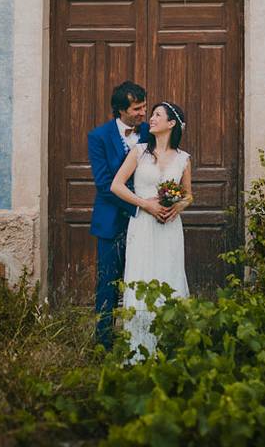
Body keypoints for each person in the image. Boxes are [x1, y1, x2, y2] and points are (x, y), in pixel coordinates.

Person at [111, 101, 193, 360]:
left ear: (171, 124)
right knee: (141, 278)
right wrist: (145, 204)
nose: (151, 119)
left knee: (169, 276)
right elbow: (117, 185)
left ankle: (169, 349)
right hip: (143, 225)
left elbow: (189, 196)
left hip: (168, 228)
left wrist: (176, 207)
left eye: (158, 115)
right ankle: (139, 349)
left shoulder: (183, 159)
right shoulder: (139, 151)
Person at [87, 81, 150, 350]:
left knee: (143, 279)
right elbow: (104, 183)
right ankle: (103, 343)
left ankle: (142, 338)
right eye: (137, 109)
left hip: (146, 223)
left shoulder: (149, 131)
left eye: (145, 106)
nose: (143, 113)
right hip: (112, 222)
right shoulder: (98, 137)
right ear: (120, 110)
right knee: (109, 283)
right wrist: (137, 206)